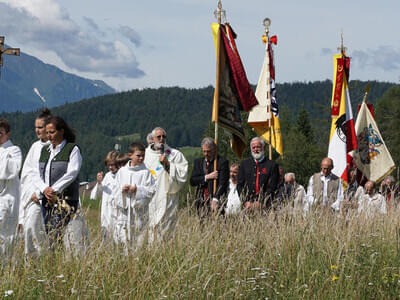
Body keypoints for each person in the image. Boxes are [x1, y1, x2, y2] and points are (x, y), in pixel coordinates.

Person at [32, 116, 85, 251]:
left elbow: (72, 173)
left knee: (61, 234)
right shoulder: (45, 150)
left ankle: (63, 262)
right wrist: (45, 189)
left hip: (66, 200)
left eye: (52, 132)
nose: (49, 136)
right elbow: (36, 173)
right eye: (47, 132)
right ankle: (54, 262)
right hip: (46, 200)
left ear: (61, 131)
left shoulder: (72, 149)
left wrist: (54, 189)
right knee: (50, 234)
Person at [144, 127, 188, 241]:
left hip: (168, 199)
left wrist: (168, 164)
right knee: (150, 231)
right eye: (159, 137)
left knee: (167, 233)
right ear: (153, 139)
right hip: (151, 200)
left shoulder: (174, 154)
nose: (162, 139)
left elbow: (183, 174)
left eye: (164, 137)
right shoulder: (144, 155)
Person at [18, 108, 52, 256]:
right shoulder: (35, 147)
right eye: (36, 127)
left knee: (44, 232)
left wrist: (41, 193)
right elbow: (27, 174)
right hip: (33, 197)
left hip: (48, 196)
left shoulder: (54, 147)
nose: (37, 131)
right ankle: (32, 264)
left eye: (40, 127)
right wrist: (32, 193)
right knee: (30, 229)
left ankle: (44, 262)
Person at [113, 142, 155, 251]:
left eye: (143, 156)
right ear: (130, 155)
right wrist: (122, 190)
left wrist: (138, 190)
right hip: (125, 215)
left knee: (139, 244)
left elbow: (151, 191)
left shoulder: (146, 173)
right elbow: (115, 191)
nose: (141, 158)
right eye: (138, 155)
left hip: (139, 216)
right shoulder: (122, 172)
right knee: (124, 243)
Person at [190, 137, 229, 218]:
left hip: (217, 202)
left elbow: (223, 183)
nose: (206, 154)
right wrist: (207, 177)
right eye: (204, 151)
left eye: (208, 151)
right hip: (201, 201)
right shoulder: (198, 162)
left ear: (214, 149)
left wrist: (216, 199)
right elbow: (192, 181)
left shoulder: (222, 162)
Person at [237, 137, 280, 211]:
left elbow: (273, 186)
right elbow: (240, 185)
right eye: (253, 148)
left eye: (258, 147)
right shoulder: (244, 164)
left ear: (264, 148)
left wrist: (262, 201)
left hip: (266, 207)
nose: (256, 150)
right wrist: (245, 201)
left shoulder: (272, 165)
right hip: (247, 207)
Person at [0, 119, 22, 256]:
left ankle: (5, 269)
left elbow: (13, 169)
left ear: (8, 134)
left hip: (7, 199)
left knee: (5, 238)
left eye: (0, 133)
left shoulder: (13, 150)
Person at [90, 151, 119, 241]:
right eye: (108, 165)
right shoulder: (107, 176)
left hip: (117, 212)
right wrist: (99, 183)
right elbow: (96, 195)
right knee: (106, 237)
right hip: (106, 212)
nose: (110, 167)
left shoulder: (122, 175)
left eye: (113, 164)